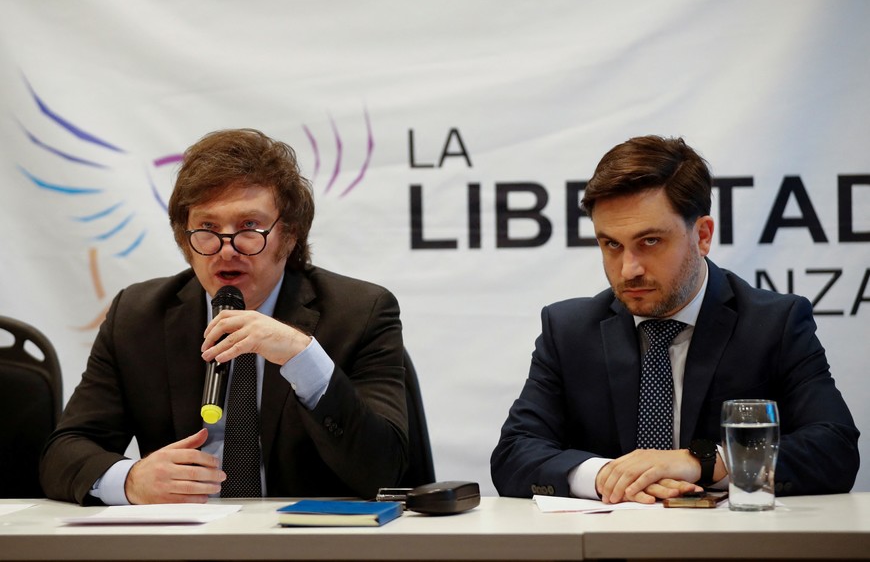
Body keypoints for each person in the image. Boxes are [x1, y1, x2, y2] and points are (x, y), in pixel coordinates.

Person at [40, 128, 408, 505]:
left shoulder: (360, 313)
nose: (226, 249)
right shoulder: (137, 316)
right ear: (185, 238)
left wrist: (303, 357)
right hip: (184, 542)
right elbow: (63, 453)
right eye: (208, 228)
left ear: (290, 234)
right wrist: (130, 479)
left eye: (249, 227)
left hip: (306, 543)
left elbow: (386, 470)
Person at [491, 135, 860, 504]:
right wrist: (607, 476)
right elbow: (514, 455)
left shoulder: (773, 324)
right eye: (611, 245)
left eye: (650, 242)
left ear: (702, 235)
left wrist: (700, 462)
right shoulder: (569, 330)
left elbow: (834, 447)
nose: (628, 269)